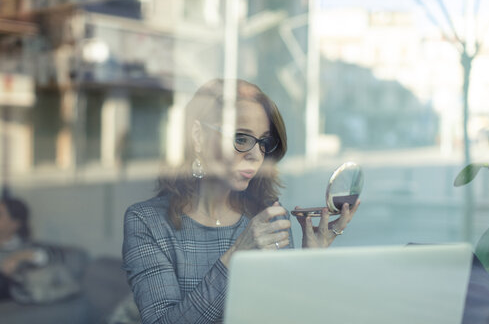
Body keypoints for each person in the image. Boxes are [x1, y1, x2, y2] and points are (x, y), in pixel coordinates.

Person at [122, 79, 360, 323]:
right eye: (241, 138)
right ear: (198, 136)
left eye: (264, 142)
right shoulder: (147, 222)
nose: (256, 154)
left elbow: (284, 314)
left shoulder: (267, 217)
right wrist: (236, 256)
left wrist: (309, 263)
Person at [0, 196, 85, 302]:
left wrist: (21, 256)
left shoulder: (26, 247)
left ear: (15, 224)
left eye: (1, 215)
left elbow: (57, 257)